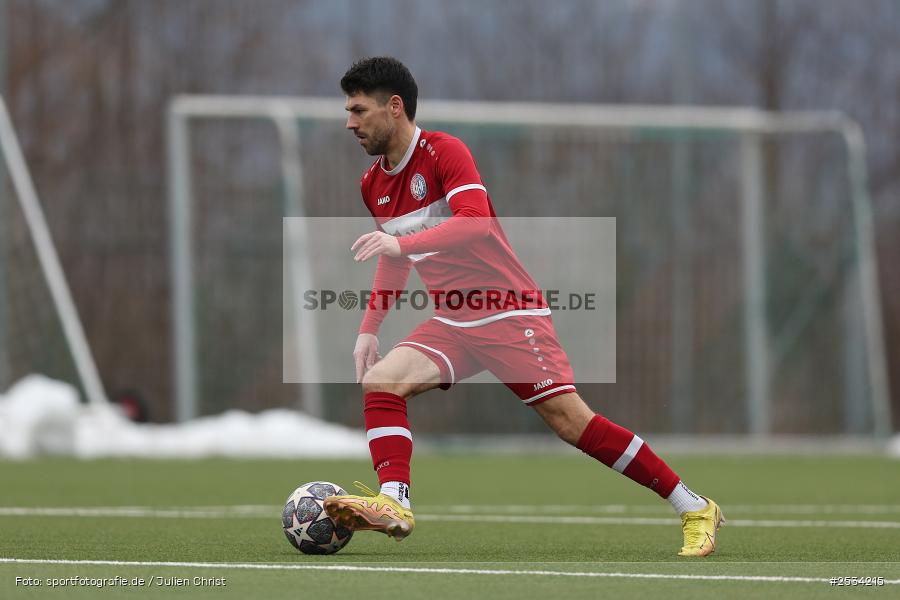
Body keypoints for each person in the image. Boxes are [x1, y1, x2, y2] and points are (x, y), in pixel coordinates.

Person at [323, 56, 724, 557]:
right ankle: (394, 502)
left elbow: (475, 222)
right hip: (454, 319)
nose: (350, 122)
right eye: (349, 110)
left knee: (571, 423)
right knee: (381, 382)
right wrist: (369, 328)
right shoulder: (372, 184)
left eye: (359, 110)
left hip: (507, 312)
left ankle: (693, 506)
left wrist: (399, 244)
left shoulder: (445, 152)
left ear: (395, 107)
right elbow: (395, 257)